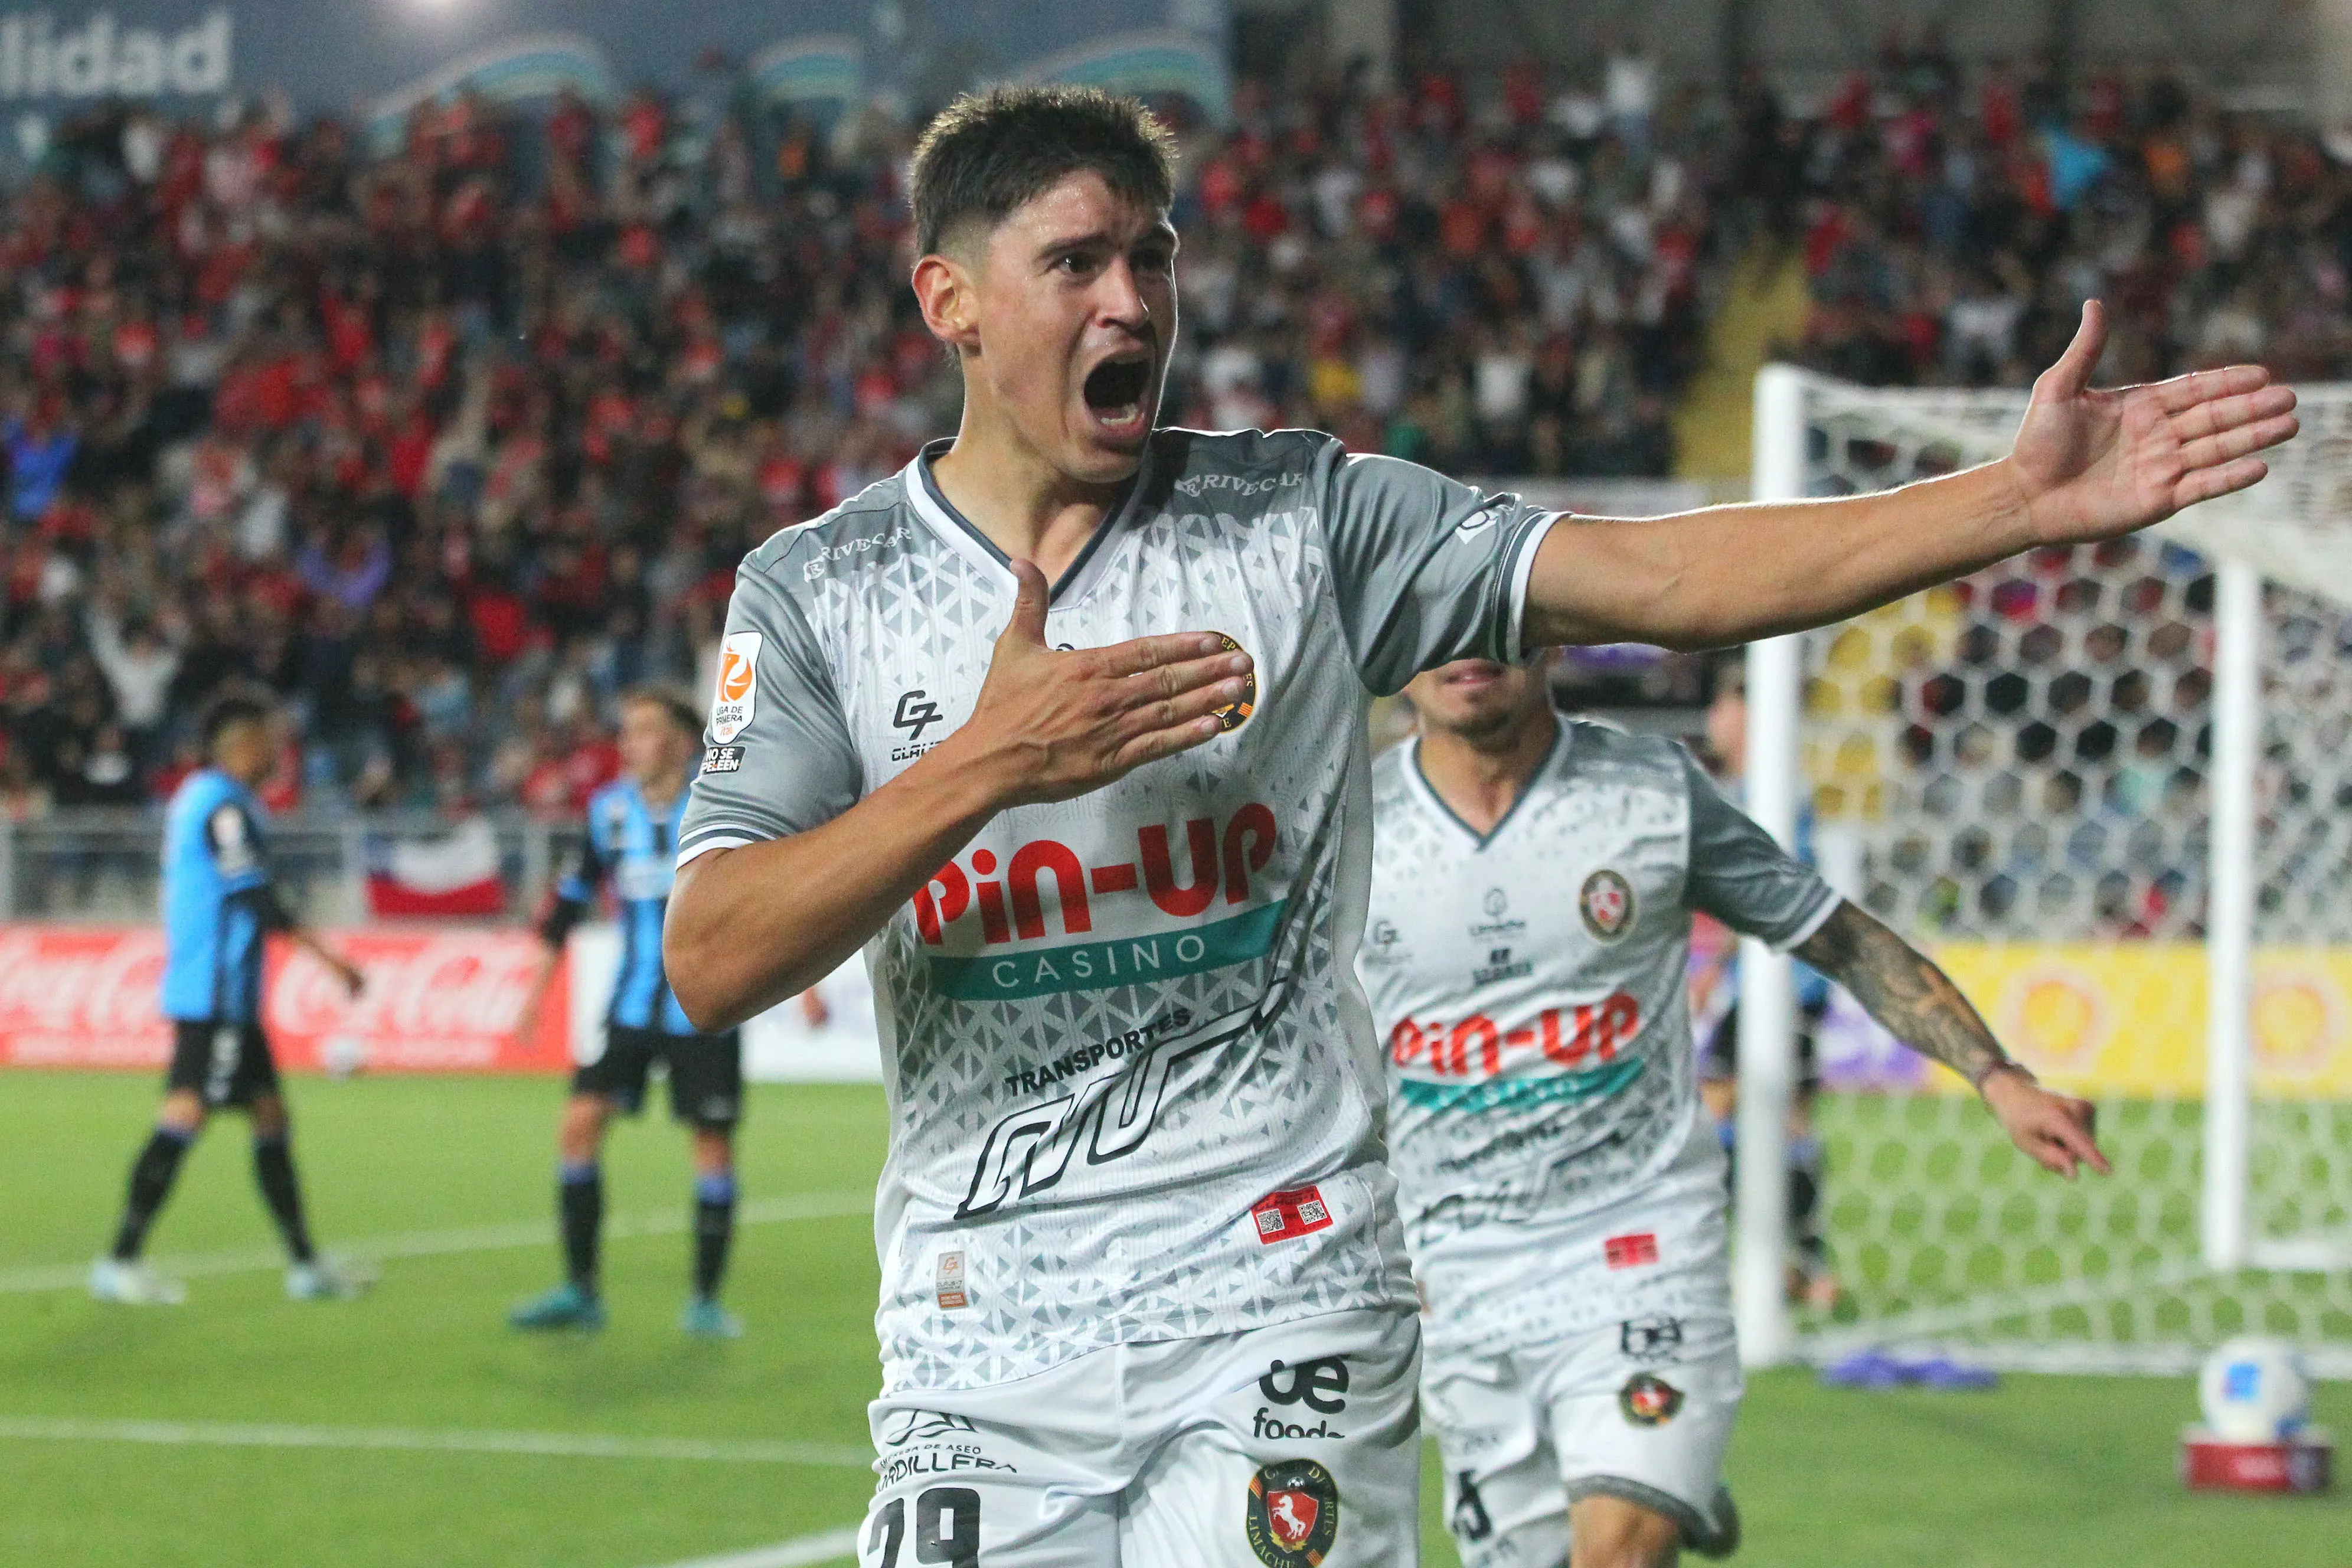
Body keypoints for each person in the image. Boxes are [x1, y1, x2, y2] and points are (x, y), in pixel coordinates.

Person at [659, 84, 2291, 1566]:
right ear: (949, 299)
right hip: (976, 1326)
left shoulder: (1308, 518)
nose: (1133, 303)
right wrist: (980, 770)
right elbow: (715, 961)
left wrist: (2012, 503)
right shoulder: (822, 597)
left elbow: (1661, 580)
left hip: (1275, 1287)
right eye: (1078, 264)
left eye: (1152, 262)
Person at [1363, 651, 2111, 1568]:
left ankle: (1651, 1477)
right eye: (1437, 629)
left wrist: (1997, 1076)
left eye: (1491, 623)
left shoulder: (1650, 794)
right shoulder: (1353, 826)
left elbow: (1833, 933)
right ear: (1396, 656)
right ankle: (1664, 1479)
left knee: (1618, 1557)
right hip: (1459, 1270)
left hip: (1635, 1242)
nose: (1466, 652)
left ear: (1549, 640)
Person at [90, 688, 370, 1306]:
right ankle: (120, 1261)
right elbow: (258, 901)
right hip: (213, 993)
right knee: (185, 1113)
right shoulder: (223, 808)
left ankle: (305, 1265)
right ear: (244, 745)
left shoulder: (212, 800)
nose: (280, 750)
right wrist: (333, 961)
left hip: (230, 998)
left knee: (271, 1118)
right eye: (270, 739)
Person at [508, 686, 747, 1338]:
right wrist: (533, 998)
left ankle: (704, 1300)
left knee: (711, 1145)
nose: (630, 743)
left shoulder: (719, 800)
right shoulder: (608, 812)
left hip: (706, 1006)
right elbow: (567, 904)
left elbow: (762, 885)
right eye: (627, 730)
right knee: (579, 1124)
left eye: (644, 730)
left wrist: (802, 983)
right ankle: (581, 1291)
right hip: (631, 1006)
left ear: (678, 741)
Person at [1688, 663, 1843, 1307]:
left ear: (1750, 715)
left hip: (1780, 985)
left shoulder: (1768, 793)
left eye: (1720, 709)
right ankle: (1803, 1266)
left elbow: (1760, 889)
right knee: (1782, 1123)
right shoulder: (1772, 790)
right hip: (1788, 981)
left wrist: (1716, 970)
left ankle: (1776, 1264)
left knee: (1716, 1115)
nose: (1711, 724)